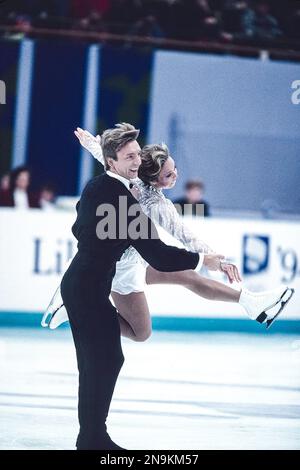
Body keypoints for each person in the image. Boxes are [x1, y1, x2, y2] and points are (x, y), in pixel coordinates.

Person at [57, 122, 227, 450]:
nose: (137, 161)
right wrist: (204, 261)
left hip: (82, 286)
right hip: (87, 291)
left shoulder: (97, 187)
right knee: (104, 360)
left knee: (99, 361)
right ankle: (93, 437)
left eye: (138, 154)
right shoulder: (124, 200)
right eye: (129, 156)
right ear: (113, 161)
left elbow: (78, 225)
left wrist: (101, 240)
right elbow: (159, 255)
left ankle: (91, 437)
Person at [43, 129, 294, 341]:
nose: (176, 177)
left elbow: (106, 156)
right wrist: (214, 258)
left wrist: (92, 143)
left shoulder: (140, 183)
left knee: (187, 280)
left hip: (137, 260)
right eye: (169, 175)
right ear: (154, 179)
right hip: (120, 265)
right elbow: (185, 236)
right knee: (143, 331)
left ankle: (252, 304)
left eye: (175, 169)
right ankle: (78, 309)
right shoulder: (155, 203)